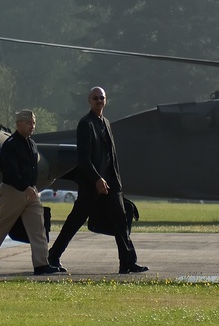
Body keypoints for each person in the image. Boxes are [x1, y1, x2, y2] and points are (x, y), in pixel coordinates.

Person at [47, 87, 148, 274]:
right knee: (75, 222)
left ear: (106, 100)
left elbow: (111, 156)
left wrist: (115, 182)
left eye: (102, 98)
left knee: (121, 222)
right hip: (91, 184)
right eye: (95, 98)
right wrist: (97, 179)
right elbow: (84, 159)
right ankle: (53, 256)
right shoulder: (86, 124)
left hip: (111, 184)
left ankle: (127, 262)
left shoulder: (106, 123)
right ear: (89, 101)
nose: (99, 101)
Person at [0, 110, 64, 276]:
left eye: (33, 123)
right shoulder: (10, 144)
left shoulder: (31, 144)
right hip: (13, 191)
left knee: (38, 228)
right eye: (29, 123)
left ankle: (41, 264)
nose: (32, 126)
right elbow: (8, 170)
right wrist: (25, 187)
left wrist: (32, 187)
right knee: (1, 226)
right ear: (19, 124)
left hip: (30, 191)